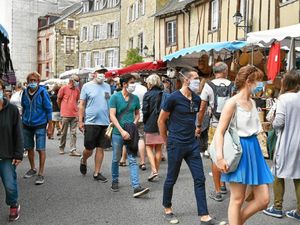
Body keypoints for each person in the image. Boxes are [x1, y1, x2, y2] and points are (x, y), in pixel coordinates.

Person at [158, 68, 221, 225]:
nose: (198, 82)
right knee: (171, 178)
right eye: (195, 78)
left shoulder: (196, 99)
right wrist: (167, 141)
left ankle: (204, 215)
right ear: (186, 80)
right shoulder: (173, 98)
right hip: (176, 143)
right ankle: (167, 208)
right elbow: (161, 120)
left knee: (200, 178)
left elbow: (194, 119)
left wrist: (197, 128)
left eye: (198, 79)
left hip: (192, 144)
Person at [214, 65, 274, 225]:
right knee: (237, 198)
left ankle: (237, 222)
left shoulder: (252, 102)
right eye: (258, 81)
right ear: (249, 81)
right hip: (239, 150)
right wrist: (219, 157)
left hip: (254, 149)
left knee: (263, 200)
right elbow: (220, 131)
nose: (261, 84)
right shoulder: (232, 103)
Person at [263, 71, 300, 222]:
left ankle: (277, 207)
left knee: (279, 173)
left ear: (286, 83)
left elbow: (279, 122)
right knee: (299, 176)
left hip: (287, 141)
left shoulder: (283, 98)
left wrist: (271, 122)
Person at [109, 74, 150, 198]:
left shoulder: (135, 98)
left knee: (132, 159)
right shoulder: (115, 97)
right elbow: (112, 116)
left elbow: (137, 113)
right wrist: (122, 131)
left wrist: (134, 123)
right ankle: (115, 180)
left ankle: (136, 186)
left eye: (134, 82)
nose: (134, 84)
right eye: (131, 82)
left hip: (131, 132)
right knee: (116, 158)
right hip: (117, 133)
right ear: (124, 84)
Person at [198, 62, 233, 202]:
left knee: (215, 155)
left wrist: (199, 125)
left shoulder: (208, 85)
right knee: (228, 153)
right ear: (225, 71)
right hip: (230, 125)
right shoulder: (232, 84)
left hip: (214, 125)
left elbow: (202, 108)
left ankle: (218, 190)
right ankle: (227, 183)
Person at [78, 68, 110, 182]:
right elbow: (81, 104)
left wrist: (111, 119)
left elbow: (108, 102)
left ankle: (97, 172)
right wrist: (80, 121)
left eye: (104, 73)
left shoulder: (107, 86)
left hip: (105, 122)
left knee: (101, 147)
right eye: (100, 72)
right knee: (89, 148)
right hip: (91, 122)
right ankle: (84, 159)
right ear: (94, 74)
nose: (102, 75)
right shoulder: (86, 86)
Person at [21, 72, 53, 185]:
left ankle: (41, 173)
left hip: (40, 124)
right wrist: (22, 121)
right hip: (26, 124)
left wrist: (50, 126)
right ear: (28, 81)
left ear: (38, 81)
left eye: (35, 80)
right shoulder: (24, 92)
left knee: (40, 149)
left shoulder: (43, 92)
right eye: (30, 80)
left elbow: (49, 109)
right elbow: (23, 107)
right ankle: (33, 168)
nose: (32, 82)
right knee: (29, 148)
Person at [0, 79, 24, 221]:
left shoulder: (12, 110)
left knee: (10, 185)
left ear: (3, 90)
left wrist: (18, 154)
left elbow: (18, 133)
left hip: (7, 155)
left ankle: (13, 204)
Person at [143, 74, 165, 181]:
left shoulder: (147, 95)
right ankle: (155, 170)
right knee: (158, 148)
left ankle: (154, 170)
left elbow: (145, 111)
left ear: (150, 83)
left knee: (148, 147)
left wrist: (144, 122)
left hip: (150, 123)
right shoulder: (164, 94)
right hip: (162, 124)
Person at [57, 75, 81, 156]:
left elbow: (77, 100)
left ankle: (73, 150)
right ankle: (61, 147)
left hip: (74, 114)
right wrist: (62, 109)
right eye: (76, 80)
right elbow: (59, 99)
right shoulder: (64, 88)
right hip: (65, 114)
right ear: (71, 80)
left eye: (78, 80)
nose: (77, 82)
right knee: (64, 132)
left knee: (73, 133)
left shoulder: (77, 90)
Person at [132, 74, 147, 171]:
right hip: (141, 116)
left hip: (130, 116)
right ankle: (142, 161)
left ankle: (123, 159)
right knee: (141, 138)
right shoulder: (144, 89)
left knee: (128, 137)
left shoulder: (130, 89)